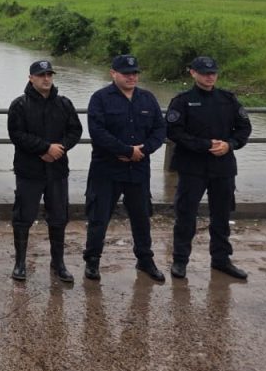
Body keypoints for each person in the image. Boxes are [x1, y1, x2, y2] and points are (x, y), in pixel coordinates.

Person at [166, 56, 252, 280]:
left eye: (213, 72)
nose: (210, 76)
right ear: (192, 73)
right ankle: (180, 260)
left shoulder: (228, 99)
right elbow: (174, 131)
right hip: (192, 167)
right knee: (186, 215)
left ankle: (221, 260)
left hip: (223, 167)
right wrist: (204, 145)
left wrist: (230, 144)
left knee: (222, 216)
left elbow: (244, 128)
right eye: (204, 72)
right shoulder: (182, 101)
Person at [83, 54, 167, 283]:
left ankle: (145, 260)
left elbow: (160, 130)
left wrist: (143, 150)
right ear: (113, 73)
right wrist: (126, 150)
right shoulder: (100, 98)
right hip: (106, 170)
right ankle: (92, 260)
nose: (132, 77)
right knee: (99, 217)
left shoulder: (148, 99)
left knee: (141, 217)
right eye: (126, 73)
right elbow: (97, 132)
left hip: (138, 170)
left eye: (135, 73)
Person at [7, 59, 83, 282]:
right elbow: (17, 134)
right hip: (29, 171)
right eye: (41, 75)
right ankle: (20, 263)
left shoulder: (64, 104)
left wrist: (60, 148)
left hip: (57, 170)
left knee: (59, 217)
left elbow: (75, 130)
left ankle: (58, 262)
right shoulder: (19, 105)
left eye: (49, 74)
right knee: (23, 217)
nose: (46, 78)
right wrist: (44, 148)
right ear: (31, 78)